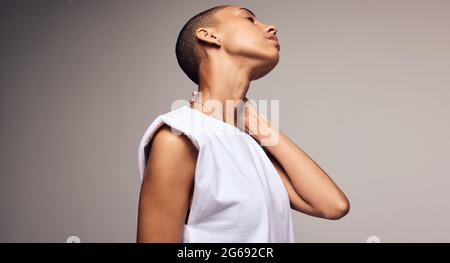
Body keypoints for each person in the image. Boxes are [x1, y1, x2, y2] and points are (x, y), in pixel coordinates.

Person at [136, 4, 350, 243]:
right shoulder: (180, 135)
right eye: (249, 19)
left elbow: (333, 205)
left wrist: (254, 121)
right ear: (209, 35)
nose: (270, 27)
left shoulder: (249, 144)